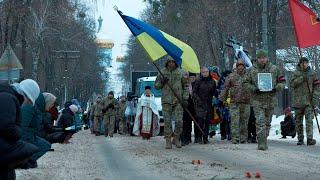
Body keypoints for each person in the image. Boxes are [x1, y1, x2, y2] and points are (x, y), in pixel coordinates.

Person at [244, 50, 285, 150]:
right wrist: (254, 89)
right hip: (257, 100)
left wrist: (276, 87)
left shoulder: (274, 69)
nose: (262, 60)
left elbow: (283, 81)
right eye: (260, 58)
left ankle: (264, 138)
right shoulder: (252, 70)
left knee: (267, 122)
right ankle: (261, 143)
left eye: (264, 57)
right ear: (257, 59)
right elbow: (245, 83)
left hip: (270, 99)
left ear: (267, 58)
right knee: (260, 121)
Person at [0, 79, 40, 179]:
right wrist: (19, 132)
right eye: (29, 101)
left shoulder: (7, 96)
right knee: (30, 149)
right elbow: (6, 126)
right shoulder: (8, 98)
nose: (27, 104)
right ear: (26, 96)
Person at [155, 58, 189, 149]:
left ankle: (176, 137)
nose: (171, 63)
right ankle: (168, 140)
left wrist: (185, 98)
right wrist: (162, 82)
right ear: (167, 62)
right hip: (166, 100)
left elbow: (186, 86)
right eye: (169, 61)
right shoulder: (162, 72)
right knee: (167, 122)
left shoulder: (180, 72)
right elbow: (156, 86)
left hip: (178, 100)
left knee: (179, 121)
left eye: (173, 61)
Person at [20, 83, 52, 169]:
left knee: (46, 145)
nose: (50, 107)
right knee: (44, 146)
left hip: (31, 135)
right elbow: (22, 126)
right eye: (51, 104)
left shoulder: (37, 109)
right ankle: (23, 161)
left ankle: (28, 160)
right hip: (27, 137)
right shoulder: (30, 107)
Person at [219, 60, 251, 144]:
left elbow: (253, 87)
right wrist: (222, 99)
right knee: (234, 121)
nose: (240, 68)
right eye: (239, 66)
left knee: (244, 121)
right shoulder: (231, 76)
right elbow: (225, 88)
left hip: (246, 102)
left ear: (244, 67)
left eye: (242, 66)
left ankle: (243, 138)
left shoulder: (249, 76)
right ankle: (235, 138)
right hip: (234, 102)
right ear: (236, 67)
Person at [290, 57, 317, 145]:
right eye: (302, 63)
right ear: (300, 64)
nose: (304, 64)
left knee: (309, 120)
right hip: (297, 102)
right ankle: (300, 139)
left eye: (306, 63)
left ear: (308, 63)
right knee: (298, 122)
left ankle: (310, 139)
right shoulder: (295, 73)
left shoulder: (312, 73)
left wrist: (315, 99)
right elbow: (291, 84)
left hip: (308, 101)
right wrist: (301, 78)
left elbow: (317, 87)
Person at [192, 67, 216, 144]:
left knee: (207, 121)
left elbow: (214, 92)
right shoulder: (198, 81)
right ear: (201, 73)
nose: (205, 73)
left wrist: (213, 99)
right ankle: (199, 137)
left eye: (206, 72)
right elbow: (194, 92)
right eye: (203, 72)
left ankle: (205, 138)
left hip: (209, 104)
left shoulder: (212, 81)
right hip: (200, 104)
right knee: (200, 121)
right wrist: (198, 101)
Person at [181, 72, 196, 145]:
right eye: (191, 77)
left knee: (191, 122)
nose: (192, 79)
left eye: (194, 77)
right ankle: (185, 137)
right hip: (185, 105)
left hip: (193, 105)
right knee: (186, 122)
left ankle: (189, 137)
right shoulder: (184, 84)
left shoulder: (196, 84)